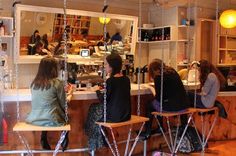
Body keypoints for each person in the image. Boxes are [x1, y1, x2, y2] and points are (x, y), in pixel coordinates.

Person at [85, 53, 131, 150]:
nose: (104, 66)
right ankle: (102, 135)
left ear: (111, 66)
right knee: (95, 111)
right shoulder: (126, 79)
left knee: (93, 109)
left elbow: (103, 100)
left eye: (106, 64)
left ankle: (94, 143)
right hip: (126, 115)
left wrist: (97, 90)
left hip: (114, 117)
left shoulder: (111, 81)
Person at [25, 56, 73, 150]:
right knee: (67, 117)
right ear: (53, 68)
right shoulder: (57, 83)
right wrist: (70, 94)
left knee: (47, 110)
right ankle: (64, 137)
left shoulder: (34, 83)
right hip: (52, 120)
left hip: (34, 118)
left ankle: (43, 136)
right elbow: (64, 104)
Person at [140, 59, 190, 139]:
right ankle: (182, 127)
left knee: (150, 106)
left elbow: (158, 98)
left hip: (172, 107)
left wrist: (150, 88)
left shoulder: (158, 77)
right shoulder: (173, 71)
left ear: (153, 70)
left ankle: (148, 132)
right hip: (183, 106)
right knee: (157, 104)